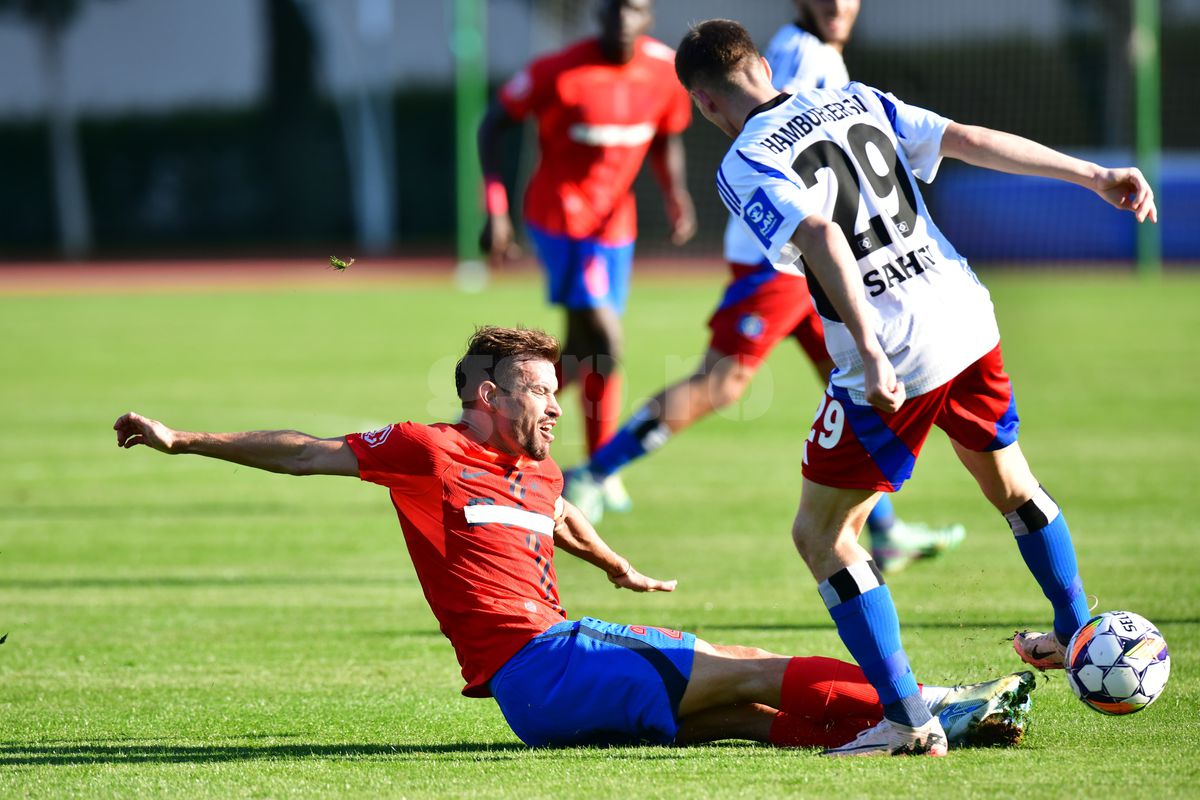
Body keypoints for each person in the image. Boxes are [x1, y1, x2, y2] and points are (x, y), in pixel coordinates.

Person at [113, 325, 1033, 750]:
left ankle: (883, 731)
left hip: (561, 667)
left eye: (557, 391)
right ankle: (925, 701)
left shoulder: (542, 469)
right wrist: (183, 439)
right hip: (540, 666)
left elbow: (553, 508)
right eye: (539, 392)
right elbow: (307, 454)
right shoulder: (428, 452)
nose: (555, 404)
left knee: (747, 712)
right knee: (740, 666)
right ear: (487, 397)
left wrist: (610, 560)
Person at [673, 19, 1156, 755]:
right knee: (1012, 485)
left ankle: (905, 719)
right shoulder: (856, 98)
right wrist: (1093, 176)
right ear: (766, 66)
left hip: (895, 346)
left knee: (823, 535)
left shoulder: (743, 160)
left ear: (705, 105)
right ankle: (1075, 633)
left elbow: (822, 238)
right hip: (965, 311)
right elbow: (965, 137)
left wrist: (869, 349)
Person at [566, 0, 962, 576]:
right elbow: (781, 149)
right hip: (781, 262)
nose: (837, 6)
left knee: (854, 385)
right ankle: (595, 473)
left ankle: (885, 530)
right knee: (722, 382)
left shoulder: (815, 53)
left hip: (817, 264)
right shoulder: (799, 57)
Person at [477, 0, 697, 516]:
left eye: (635, 8)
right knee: (608, 338)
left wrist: (674, 194)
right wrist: (497, 209)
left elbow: (666, 137)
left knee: (584, 352)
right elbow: (492, 124)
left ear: (649, 16)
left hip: (615, 225)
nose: (623, 19)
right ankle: (595, 470)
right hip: (560, 219)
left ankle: (497, 420)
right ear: (598, 15)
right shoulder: (556, 73)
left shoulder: (666, 71)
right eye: (614, 8)